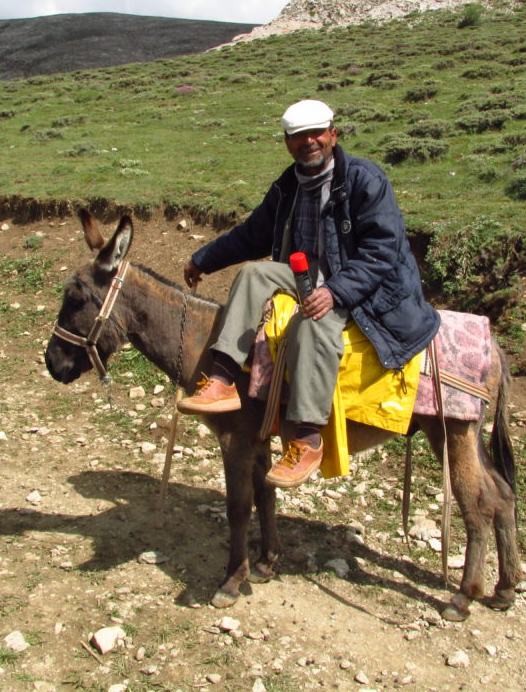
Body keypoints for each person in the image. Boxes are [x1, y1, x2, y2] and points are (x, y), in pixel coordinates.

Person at [177, 99, 439, 487]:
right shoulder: (287, 187)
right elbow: (252, 236)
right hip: (306, 277)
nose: (308, 142)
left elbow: (382, 249)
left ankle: (307, 438)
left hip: (364, 292)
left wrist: (334, 291)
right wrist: (203, 259)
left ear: (333, 134)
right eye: (298, 137)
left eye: (316, 133)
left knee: (312, 323)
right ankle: (223, 379)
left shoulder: (366, 181)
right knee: (253, 274)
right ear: (287, 142)